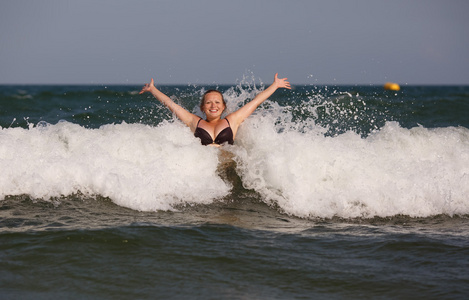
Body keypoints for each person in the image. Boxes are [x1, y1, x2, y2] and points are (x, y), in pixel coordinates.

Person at [139, 73, 291, 146]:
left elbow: (256, 102)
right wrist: (152, 89)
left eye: (217, 102)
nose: (213, 106)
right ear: (202, 107)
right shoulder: (194, 121)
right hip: (206, 173)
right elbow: (171, 104)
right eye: (209, 103)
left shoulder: (232, 120)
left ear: (223, 106)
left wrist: (275, 85)